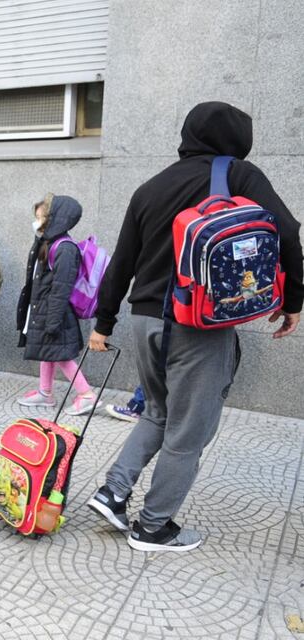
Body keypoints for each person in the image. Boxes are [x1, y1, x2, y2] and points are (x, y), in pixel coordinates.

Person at [87, 101, 303, 552]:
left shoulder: (150, 187)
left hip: (144, 319)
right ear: (237, 140)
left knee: (158, 411)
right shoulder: (239, 175)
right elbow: (286, 231)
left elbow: (121, 261)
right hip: (194, 325)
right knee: (189, 430)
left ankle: (113, 492)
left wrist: (103, 323)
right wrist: (294, 300)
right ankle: (153, 527)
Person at [15, 194, 97, 415]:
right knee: (48, 351)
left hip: (56, 313)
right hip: (46, 311)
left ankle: (86, 394)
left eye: (40, 218)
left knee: (61, 356)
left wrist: (52, 321)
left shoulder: (65, 248)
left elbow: (62, 289)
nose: (37, 222)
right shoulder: (50, 243)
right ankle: (45, 392)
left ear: (54, 219)